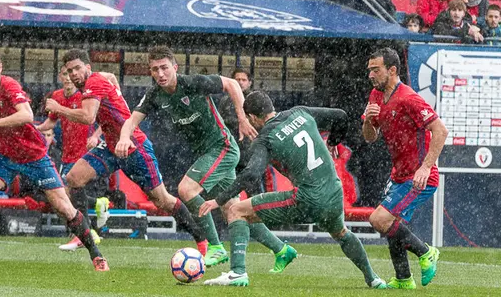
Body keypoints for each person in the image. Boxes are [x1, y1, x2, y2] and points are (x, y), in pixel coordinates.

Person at [118, 47, 294, 271]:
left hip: (223, 147)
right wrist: (124, 137)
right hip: (208, 154)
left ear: (175, 67)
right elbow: (131, 120)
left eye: (164, 68)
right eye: (155, 69)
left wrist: (241, 117)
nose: (160, 74)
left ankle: (215, 247)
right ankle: (282, 249)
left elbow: (231, 83)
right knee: (235, 210)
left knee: (186, 189)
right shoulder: (155, 94)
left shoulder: (192, 83)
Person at [198, 92, 387, 288]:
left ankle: (237, 273)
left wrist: (217, 200)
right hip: (333, 192)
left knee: (236, 210)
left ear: (253, 118)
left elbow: (251, 174)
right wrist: (332, 144)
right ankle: (373, 279)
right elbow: (340, 116)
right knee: (341, 233)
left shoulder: (265, 138)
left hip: (308, 199)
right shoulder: (301, 113)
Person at [0, 48, 109, 271]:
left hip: (34, 155)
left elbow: (26, 115)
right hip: (6, 154)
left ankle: (96, 255)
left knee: (65, 208)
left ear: (1, 69)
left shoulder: (8, 86)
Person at [49, 49, 210, 255]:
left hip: (135, 147)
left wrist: (58, 108)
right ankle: (84, 233)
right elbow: (112, 77)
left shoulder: (94, 83)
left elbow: (88, 117)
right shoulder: (98, 78)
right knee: (73, 178)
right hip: (111, 146)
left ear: (88, 68)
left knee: (162, 200)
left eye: (78, 69)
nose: (73, 74)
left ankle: (201, 239)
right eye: (69, 71)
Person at [362, 48, 446, 289]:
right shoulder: (376, 96)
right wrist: (368, 120)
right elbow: (369, 137)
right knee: (391, 224)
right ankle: (403, 279)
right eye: (369, 70)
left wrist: (425, 167)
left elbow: (440, 131)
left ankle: (426, 252)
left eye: (375, 70)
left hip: (420, 177)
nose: (371, 74)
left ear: (392, 70)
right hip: (399, 175)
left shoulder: (408, 98)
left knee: (379, 219)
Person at [36, 66, 107, 251]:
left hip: (84, 152)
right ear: (60, 76)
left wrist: (96, 136)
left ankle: (82, 234)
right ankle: (97, 207)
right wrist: (33, 128)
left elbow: (101, 119)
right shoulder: (58, 96)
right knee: (65, 194)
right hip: (67, 152)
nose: (68, 78)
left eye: (70, 74)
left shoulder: (85, 94)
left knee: (71, 190)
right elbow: (50, 122)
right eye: (65, 74)